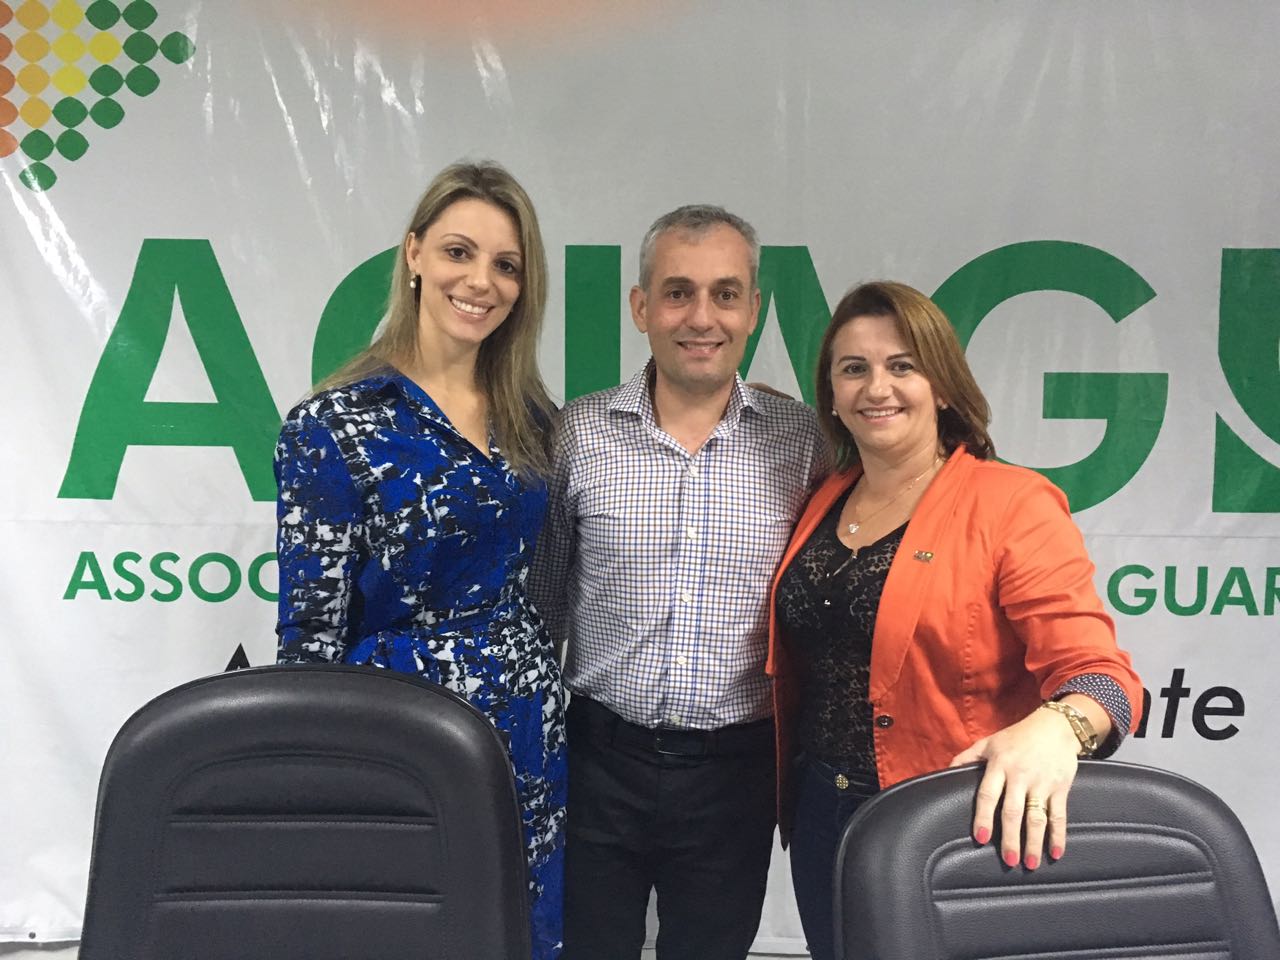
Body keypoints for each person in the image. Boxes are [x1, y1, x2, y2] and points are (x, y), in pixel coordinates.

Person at [767, 280, 1144, 960]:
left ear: (942, 386)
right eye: (853, 369)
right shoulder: (825, 496)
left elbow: (1105, 680)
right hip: (823, 813)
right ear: (831, 394)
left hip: (952, 820)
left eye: (902, 366)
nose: (877, 387)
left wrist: (1057, 728)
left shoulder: (1011, 503)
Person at [274, 161, 565, 960]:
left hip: (528, 728)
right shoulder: (334, 424)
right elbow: (311, 634)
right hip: (400, 730)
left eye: (506, 265)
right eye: (458, 252)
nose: (481, 282)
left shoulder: (531, 416)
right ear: (413, 255)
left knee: (521, 932)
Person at [530, 204, 828, 960]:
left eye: (725, 294)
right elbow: (543, 607)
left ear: (753, 309)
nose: (702, 317)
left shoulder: (804, 445)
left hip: (736, 772)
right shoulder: (578, 435)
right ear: (641, 307)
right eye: (677, 293)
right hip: (598, 760)